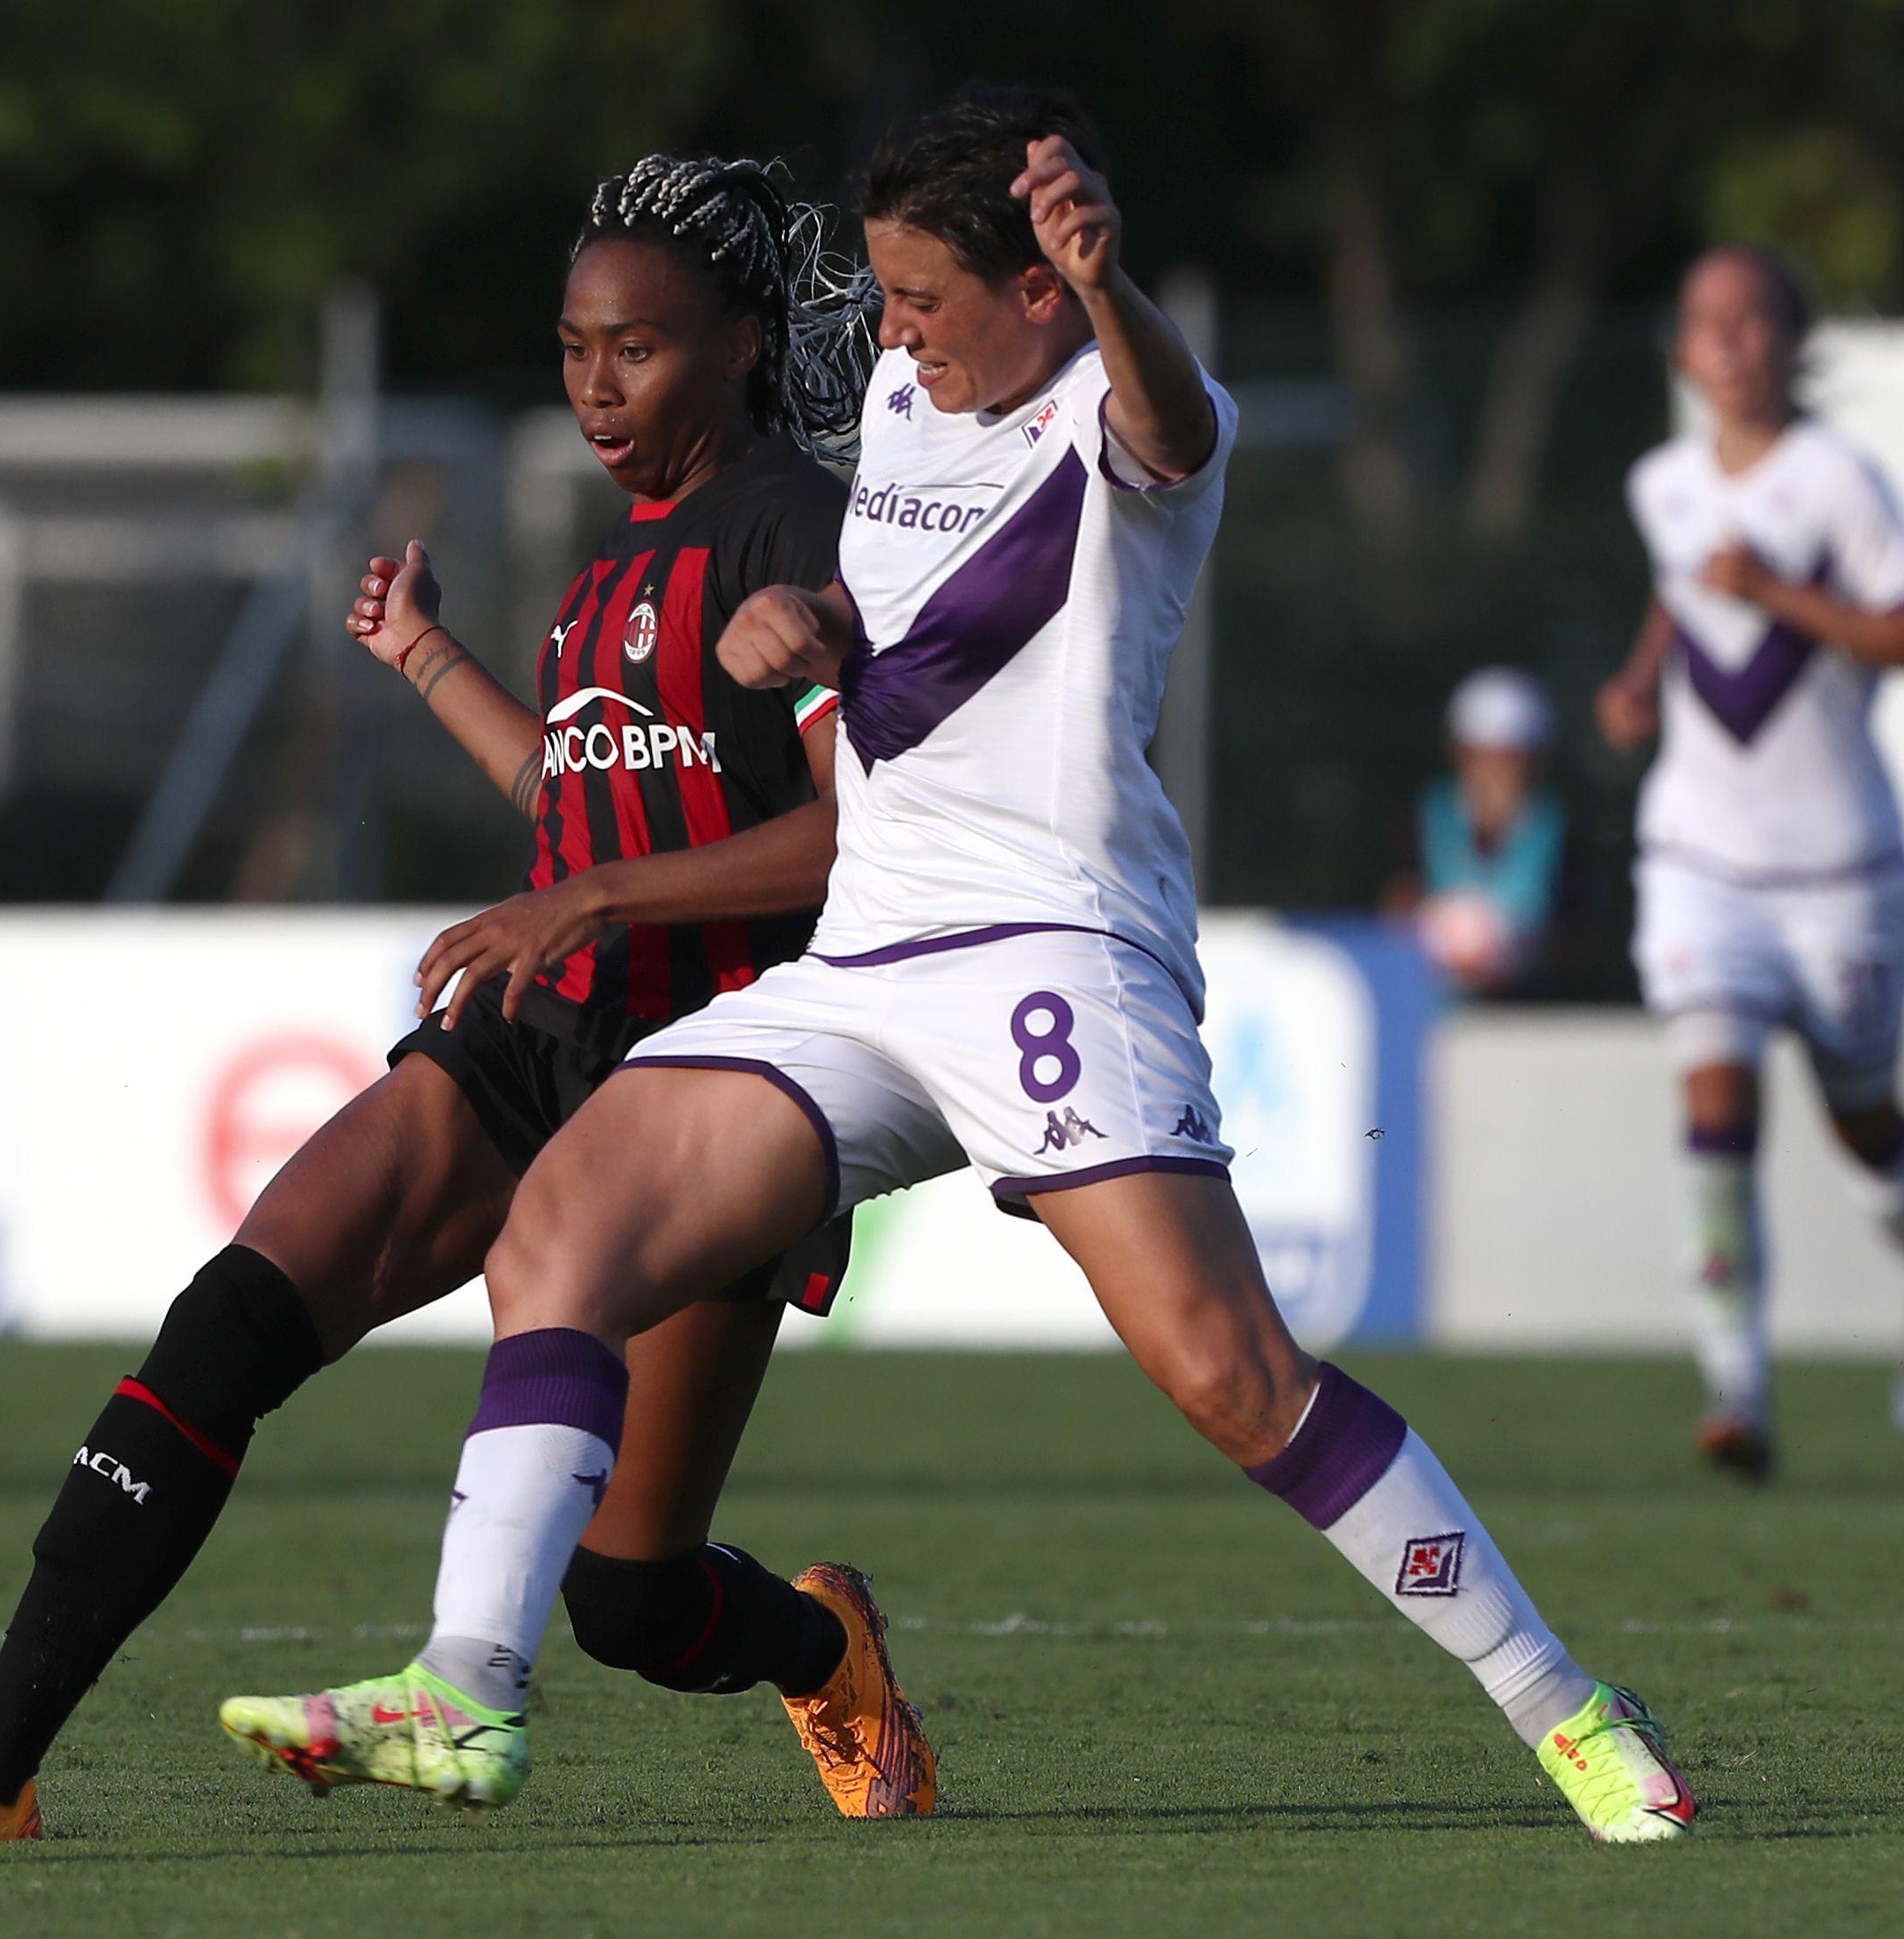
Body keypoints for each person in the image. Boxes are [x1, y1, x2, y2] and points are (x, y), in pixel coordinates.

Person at [222, 87, 1696, 1845]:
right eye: (886, 291)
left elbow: (1164, 420)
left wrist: (1110, 280)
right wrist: (811, 632)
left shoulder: (1131, 399)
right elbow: (891, 633)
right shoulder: (912, 411)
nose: (892, 332)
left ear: (1043, 289)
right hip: (867, 957)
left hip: (1052, 944)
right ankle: (467, 1687)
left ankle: (1565, 1708)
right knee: (564, 1233)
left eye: (924, 297)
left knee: (1230, 1374)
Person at [0, 154, 939, 1847]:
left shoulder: (799, 536)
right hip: (530, 1046)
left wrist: (591, 895)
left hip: (714, 1091)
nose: (595, 389)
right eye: (570, 349)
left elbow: (854, 846)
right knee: (229, 1324)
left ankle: (821, 1646)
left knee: (627, 1602)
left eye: (637, 348)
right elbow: (578, 799)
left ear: (747, 344)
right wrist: (426, 662)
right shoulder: (608, 568)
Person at [1594, 244, 1904, 1482]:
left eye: (1755, 322)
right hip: (1698, 856)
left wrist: (1773, 591)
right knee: (1714, 1102)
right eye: (1709, 322)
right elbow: (1678, 590)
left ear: (1789, 343)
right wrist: (1640, 678)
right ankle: (1736, 1389)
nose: (1731, 342)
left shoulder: (1838, 482)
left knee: (1861, 1125)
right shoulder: (1659, 482)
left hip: (1840, 870)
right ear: (1680, 351)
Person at [1385, 668, 1570, 997]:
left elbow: (1574, 942)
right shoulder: (1425, 819)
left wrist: (1508, 954)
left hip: (1531, 1013)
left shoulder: (1561, 832)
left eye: (1510, 759)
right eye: (1481, 756)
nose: (1494, 773)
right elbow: (1397, 907)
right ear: (1460, 755)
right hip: (1435, 1006)